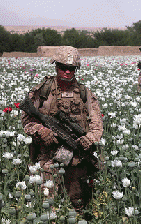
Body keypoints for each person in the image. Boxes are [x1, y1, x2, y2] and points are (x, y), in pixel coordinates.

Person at [21, 46, 103, 218]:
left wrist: (90, 138)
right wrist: (41, 130)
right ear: (55, 66)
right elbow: (27, 120)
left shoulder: (84, 93)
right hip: (48, 158)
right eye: (63, 67)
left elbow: (96, 123)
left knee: (77, 208)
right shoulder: (42, 91)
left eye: (71, 68)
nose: (67, 71)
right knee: (47, 208)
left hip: (76, 159)